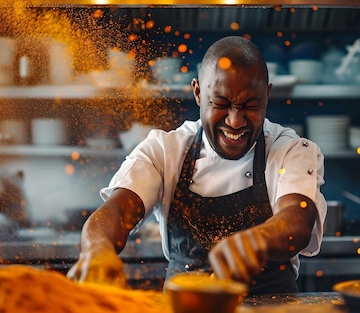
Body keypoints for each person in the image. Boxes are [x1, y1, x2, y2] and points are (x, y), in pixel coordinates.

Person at [67, 36, 327, 295]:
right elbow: (118, 210)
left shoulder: (290, 150)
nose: (235, 121)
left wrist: (260, 239)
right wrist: (98, 248)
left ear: (267, 95)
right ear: (198, 93)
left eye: (251, 105)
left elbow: (297, 220)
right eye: (221, 104)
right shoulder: (165, 150)